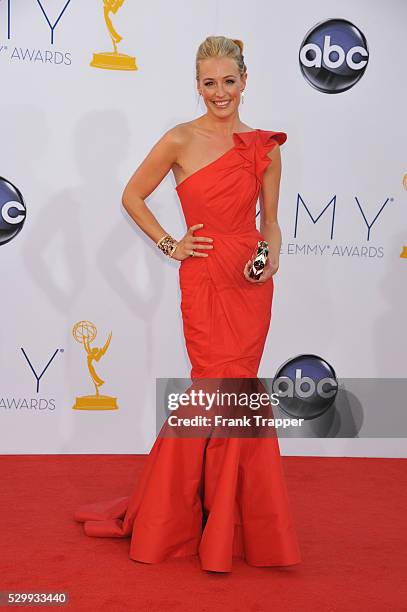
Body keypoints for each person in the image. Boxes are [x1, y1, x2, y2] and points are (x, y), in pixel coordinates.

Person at [75, 35, 302, 573]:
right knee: (212, 386)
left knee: (238, 389)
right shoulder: (180, 138)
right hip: (202, 275)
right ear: (196, 86)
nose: (219, 92)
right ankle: (189, 519)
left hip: (249, 280)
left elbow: (269, 221)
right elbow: (132, 195)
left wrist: (270, 254)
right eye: (209, 83)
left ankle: (233, 523)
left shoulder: (265, 146)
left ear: (245, 81)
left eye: (228, 81)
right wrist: (169, 244)